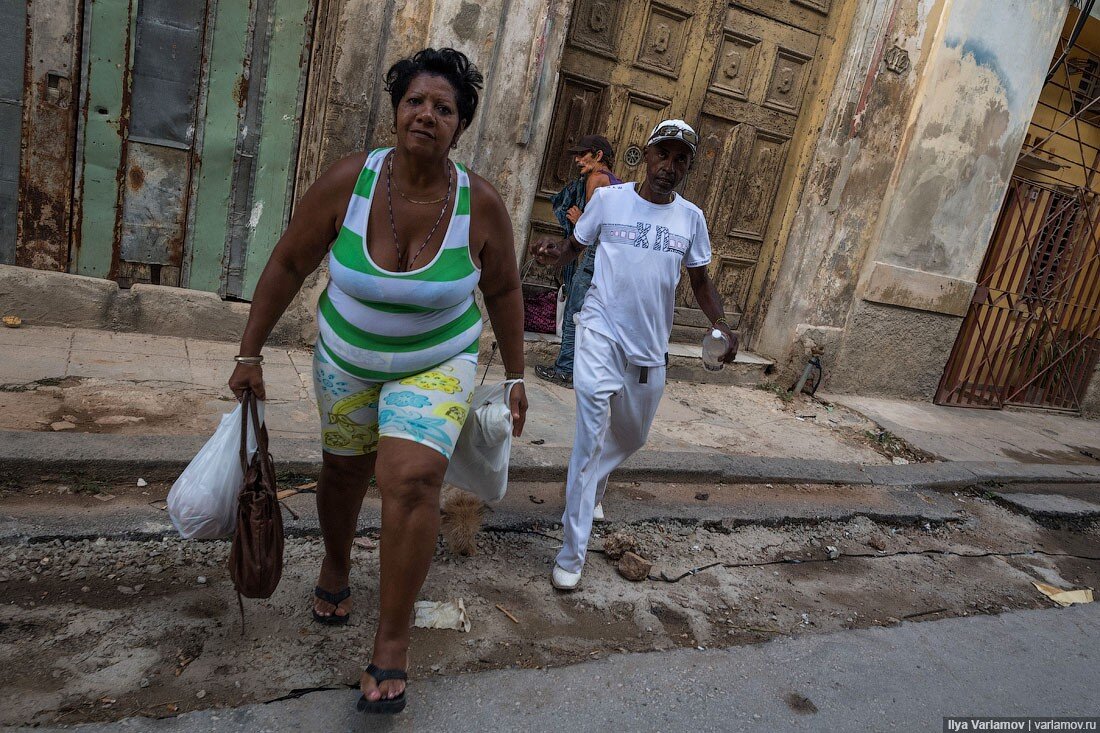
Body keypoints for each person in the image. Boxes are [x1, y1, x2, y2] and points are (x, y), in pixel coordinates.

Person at [228, 48, 528, 714]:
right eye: (416, 101)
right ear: (397, 110)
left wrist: (516, 373)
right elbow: (286, 263)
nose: (427, 114)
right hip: (348, 359)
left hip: (437, 361)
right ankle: (337, 561)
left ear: (459, 125)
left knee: (412, 479)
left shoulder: (481, 204)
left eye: (443, 108)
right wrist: (249, 353)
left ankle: (391, 641)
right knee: (343, 473)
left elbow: (505, 289)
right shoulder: (348, 182)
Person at [530, 119, 737, 591]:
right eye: (662, 154)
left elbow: (701, 282)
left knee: (633, 436)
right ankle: (571, 551)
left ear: (688, 166)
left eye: (680, 159)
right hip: (600, 330)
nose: (670, 166)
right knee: (589, 436)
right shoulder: (608, 201)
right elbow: (573, 248)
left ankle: (590, 487)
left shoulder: (691, 219)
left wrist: (721, 324)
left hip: (649, 349)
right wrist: (551, 252)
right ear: (645, 156)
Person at [535, 135, 622, 389]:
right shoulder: (616, 182)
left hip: (595, 253)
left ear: (598, 156)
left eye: (583, 154)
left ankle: (564, 370)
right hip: (611, 256)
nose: (577, 160)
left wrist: (579, 219)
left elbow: (592, 226)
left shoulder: (596, 179)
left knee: (575, 310)